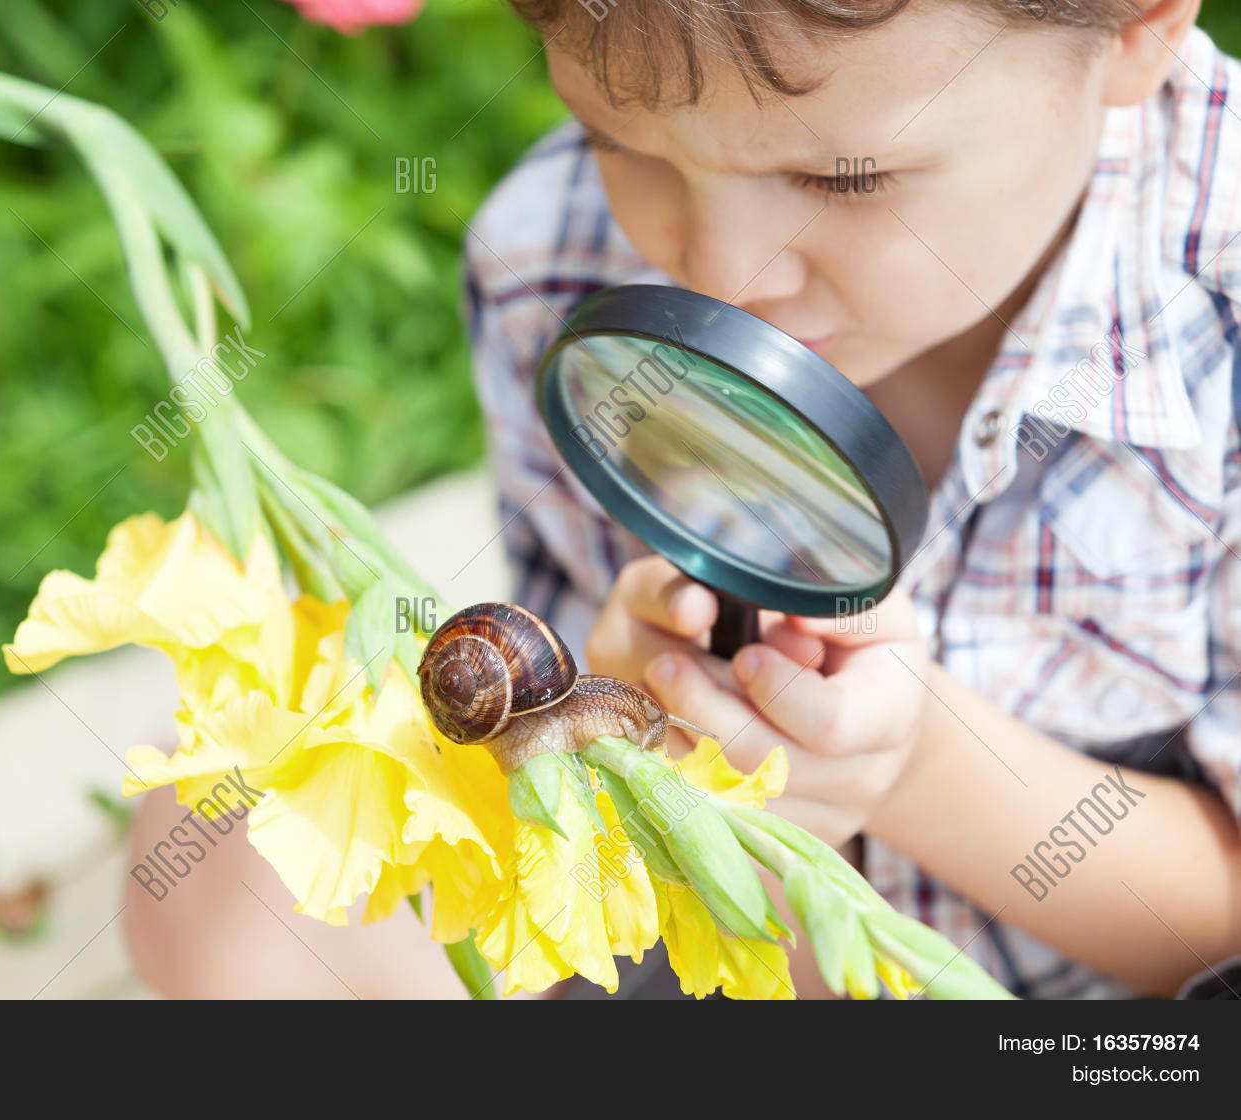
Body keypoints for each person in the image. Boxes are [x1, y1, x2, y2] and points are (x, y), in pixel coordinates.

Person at [126, 0, 1241, 998]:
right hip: (742, 934)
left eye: (845, 179)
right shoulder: (553, 251)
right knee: (227, 857)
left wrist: (915, 769)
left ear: (1136, 24)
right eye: (620, 142)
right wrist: (619, 710)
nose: (723, 271)